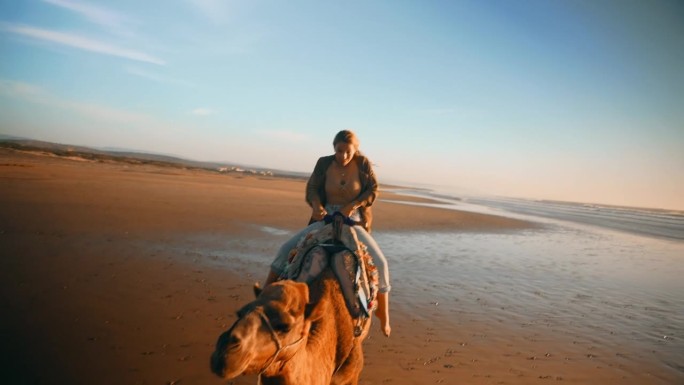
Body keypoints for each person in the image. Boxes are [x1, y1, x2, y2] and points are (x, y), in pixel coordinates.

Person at [264, 130, 391, 337]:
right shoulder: (323, 163)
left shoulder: (363, 164)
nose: (343, 156)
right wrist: (316, 205)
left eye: (347, 152)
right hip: (325, 220)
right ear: (334, 148)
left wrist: (352, 205)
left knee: (381, 262)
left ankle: (383, 315)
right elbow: (313, 188)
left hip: (354, 221)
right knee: (286, 249)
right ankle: (265, 296)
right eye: (339, 151)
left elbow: (373, 190)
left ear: (355, 150)